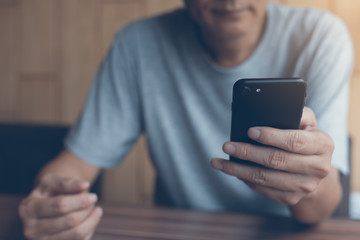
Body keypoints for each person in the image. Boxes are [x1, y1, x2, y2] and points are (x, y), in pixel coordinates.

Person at [18, 0, 353, 239]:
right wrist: (49, 203)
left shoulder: (320, 36)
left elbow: (318, 210)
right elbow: (75, 163)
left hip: (284, 230)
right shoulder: (138, 44)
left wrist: (308, 182)